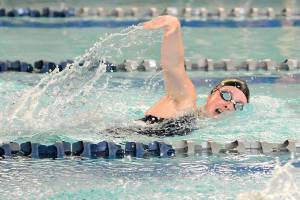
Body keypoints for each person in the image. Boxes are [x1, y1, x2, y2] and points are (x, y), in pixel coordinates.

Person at [105, 15, 250, 137]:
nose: (229, 105)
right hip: (106, 138)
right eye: (226, 96)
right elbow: (173, 67)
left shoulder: (201, 124)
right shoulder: (185, 101)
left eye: (238, 105)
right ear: (212, 93)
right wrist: (173, 28)